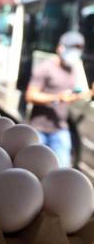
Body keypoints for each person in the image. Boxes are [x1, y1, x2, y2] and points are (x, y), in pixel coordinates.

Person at [26, 31, 91, 168]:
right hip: (39, 129)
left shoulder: (73, 70)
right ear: (61, 48)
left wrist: (89, 93)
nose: (76, 53)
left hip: (60, 129)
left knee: (62, 171)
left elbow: (71, 95)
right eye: (73, 48)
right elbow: (30, 96)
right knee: (35, 169)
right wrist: (57, 98)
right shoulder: (45, 68)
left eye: (79, 49)